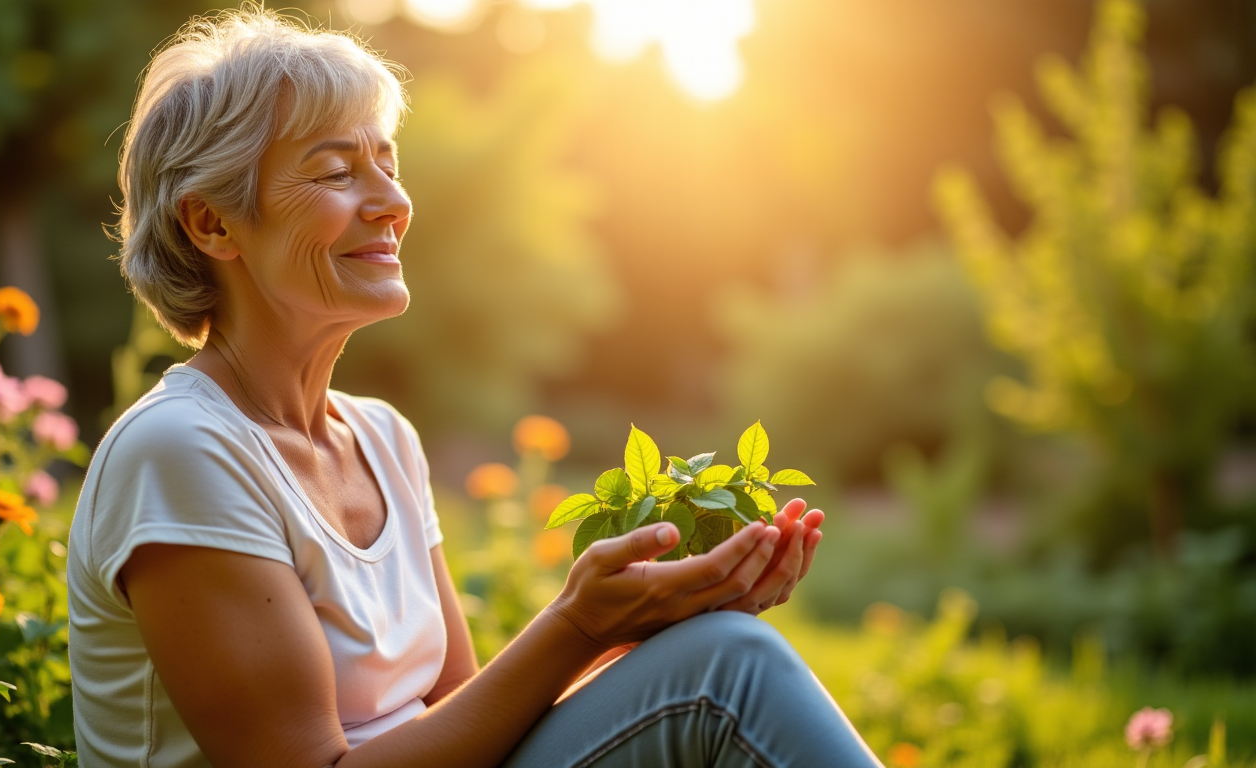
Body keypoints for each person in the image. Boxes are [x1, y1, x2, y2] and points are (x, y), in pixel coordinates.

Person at [66, 7, 883, 768]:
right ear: (211, 224)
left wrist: (654, 620)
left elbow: (466, 717)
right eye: (336, 172)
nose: (392, 203)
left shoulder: (382, 438)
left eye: (386, 163)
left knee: (714, 653)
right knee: (725, 672)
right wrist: (573, 622)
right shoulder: (180, 450)